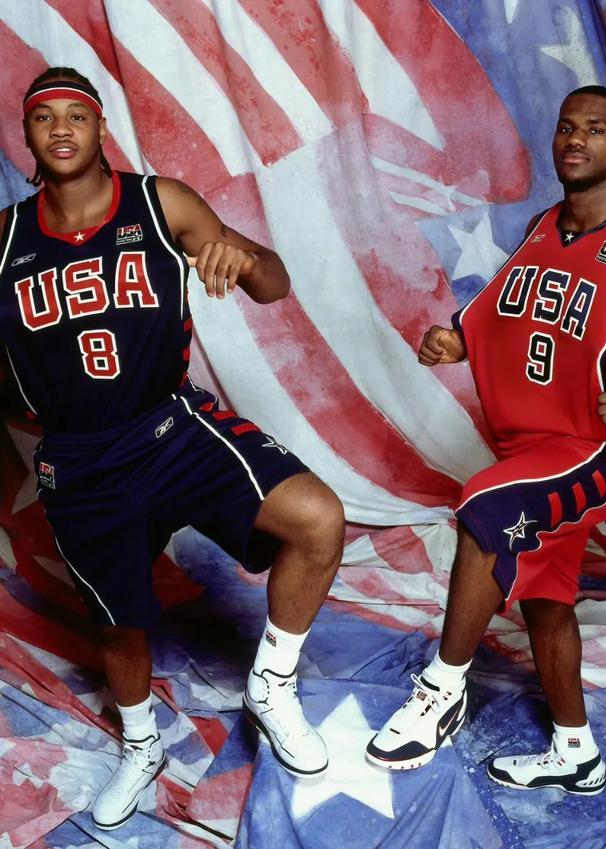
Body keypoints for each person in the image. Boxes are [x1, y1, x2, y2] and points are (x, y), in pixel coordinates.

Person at [0, 67, 345, 830]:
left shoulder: (162, 204)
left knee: (319, 518)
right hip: (79, 460)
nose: (61, 129)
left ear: (100, 129)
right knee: (117, 623)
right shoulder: (6, 238)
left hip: (170, 430)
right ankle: (142, 744)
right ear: (26, 135)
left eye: (77, 115)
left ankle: (272, 685)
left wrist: (241, 259)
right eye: (45, 117)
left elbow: (274, 283)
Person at [366, 85, 606, 795]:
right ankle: (575, 752)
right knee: (546, 600)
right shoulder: (548, 226)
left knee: (487, 506)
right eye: (567, 127)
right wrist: (458, 340)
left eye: (596, 129)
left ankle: (442, 688)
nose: (576, 139)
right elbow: (508, 308)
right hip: (537, 449)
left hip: (603, 450)